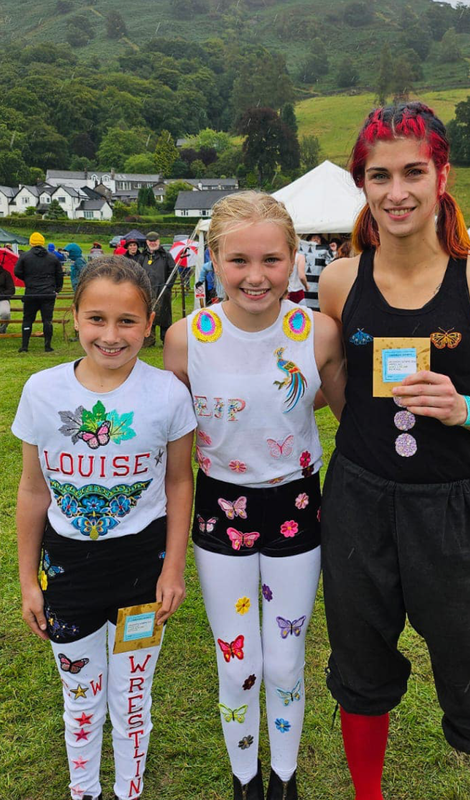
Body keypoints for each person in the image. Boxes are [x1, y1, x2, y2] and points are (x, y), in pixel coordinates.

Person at [318, 102, 470, 800]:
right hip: (356, 502)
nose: (397, 191)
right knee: (360, 668)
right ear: (363, 184)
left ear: (442, 175)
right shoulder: (341, 280)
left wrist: (463, 409)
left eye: (414, 171)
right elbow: (335, 387)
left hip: (448, 508)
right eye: (379, 176)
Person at [163, 191, 345, 800]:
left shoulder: (318, 333)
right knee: (237, 662)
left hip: (296, 509)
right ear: (213, 258)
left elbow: (330, 406)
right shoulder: (186, 338)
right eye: (238, 260)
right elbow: (177, 444)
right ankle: (245, 780)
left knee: (284, 660)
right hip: (221, 514)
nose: (255, 275)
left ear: (295, 258)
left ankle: (284, 779)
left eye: (271, 259)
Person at [12, 256, 196, 800]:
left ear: (149, 321)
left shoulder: (167, 394)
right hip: (67, 574)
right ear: (73, 318)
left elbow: (180, 484)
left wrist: (174, 570)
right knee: (82, 699)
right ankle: (84, 791)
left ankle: (129, 791)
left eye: (126, 322)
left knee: (132, 699)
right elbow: (32, 489)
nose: (111, 336)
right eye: (96, 319)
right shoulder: (42, 391)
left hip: (143, 574)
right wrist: (28, 580)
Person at [14, 232, 64, 353]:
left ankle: (24, 346)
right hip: (48, 293)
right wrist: (57, 289)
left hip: (31, 292)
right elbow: (59, 275)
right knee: (47, 320)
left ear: (31, 243)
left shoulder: (25, 257)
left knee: (27, 319)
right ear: (43, 242)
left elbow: (17, 271)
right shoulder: (53, 258)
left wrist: (27, 279)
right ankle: (47, 346)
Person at [139, 232, 175, 346]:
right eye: (150, 241)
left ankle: (166, 340)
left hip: (163, 291)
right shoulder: (142, 256)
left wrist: (168, 286)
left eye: (155, 241)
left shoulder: (166, 256)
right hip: (147, 291)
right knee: (149, 315)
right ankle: (149, 339)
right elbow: (137, 271)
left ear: (159, 241)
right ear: (147, 242)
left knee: (164, 317)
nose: (152, 243)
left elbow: (173, 272)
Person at [302, 234, 328, 311]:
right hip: (304, 286)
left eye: (318, 238)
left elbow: (330, 263)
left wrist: (331, 251)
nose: (316, 240)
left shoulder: (324, 252)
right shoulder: (301, 252)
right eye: (314, 238)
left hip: (317, 285)